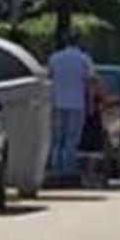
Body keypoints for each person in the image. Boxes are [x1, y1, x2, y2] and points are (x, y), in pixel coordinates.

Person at [47, 32, 94, 181]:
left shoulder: (54, 58)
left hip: (57, 102)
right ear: (79, 43)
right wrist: (90, 103)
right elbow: (89, 83)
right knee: (71, 138)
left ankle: (55, 167)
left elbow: (48, 79)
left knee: (57, 137)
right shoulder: (84, 59)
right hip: (76, 103)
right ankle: (67, 169)